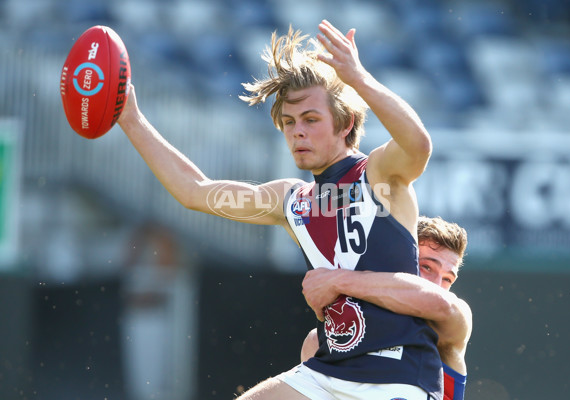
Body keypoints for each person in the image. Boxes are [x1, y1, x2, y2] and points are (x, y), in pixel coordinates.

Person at [118, 19, 437, 399]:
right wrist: (130, 119)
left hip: (395, 372)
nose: (297, 131)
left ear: (345, 123)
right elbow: (194, 191)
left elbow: (418, 145)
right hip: (330, 371)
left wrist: (359, 79)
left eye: (311, 120)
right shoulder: (291, 201)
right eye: (288, 122)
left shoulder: (380, 174)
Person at [300, 216, 471, 400]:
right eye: (427, 268)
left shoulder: (454, 314)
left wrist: (334, 281)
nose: (437, 285)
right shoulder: (320, 343)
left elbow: (442, 304)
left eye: (447, 279)